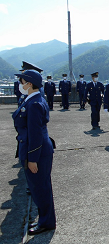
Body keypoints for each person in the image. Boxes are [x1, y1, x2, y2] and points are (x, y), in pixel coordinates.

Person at [12, 69, 56, 235]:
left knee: (40, 188)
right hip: (37, 149)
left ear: (29, 84)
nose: (20, 85)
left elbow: (35, 135)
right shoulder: (33, 99)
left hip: (38, 151)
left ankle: (46, 222)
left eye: (22, 82)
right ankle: (46, 219)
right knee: (40, 187)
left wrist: (32, 159)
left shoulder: (35, 103)